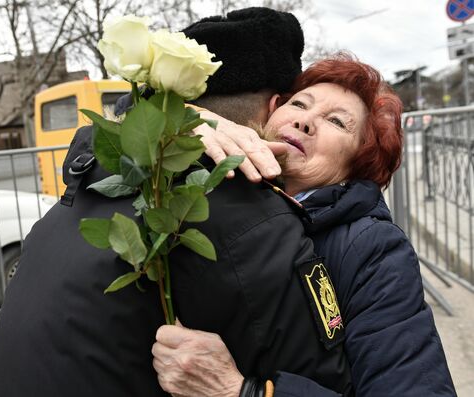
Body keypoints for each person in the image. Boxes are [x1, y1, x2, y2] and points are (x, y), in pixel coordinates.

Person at [0, 8, 352, 397]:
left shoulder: (84, 187)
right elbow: (324, 378)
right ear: (274, 108)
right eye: (298, 106)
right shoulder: (257, 222)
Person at [151, 54, 457, 396]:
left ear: (357, 163)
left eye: (338, 122)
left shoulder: (374, 248)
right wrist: (189, 120)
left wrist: (241, 391)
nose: (305, 121)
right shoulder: (208, 185)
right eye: (299, 104)